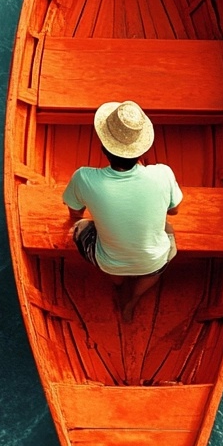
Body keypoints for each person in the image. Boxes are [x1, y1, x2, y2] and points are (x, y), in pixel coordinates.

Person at [62, 100, 183, 322]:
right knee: (168, 228)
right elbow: (174, 210)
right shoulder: (163, 174)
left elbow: (75, 213)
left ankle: (118, 284)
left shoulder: (84, 177)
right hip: (153, 262)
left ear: (103, 148)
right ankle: (134, 300)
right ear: (142, 150)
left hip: (109, 263)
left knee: (81, 227)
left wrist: (88, 218)